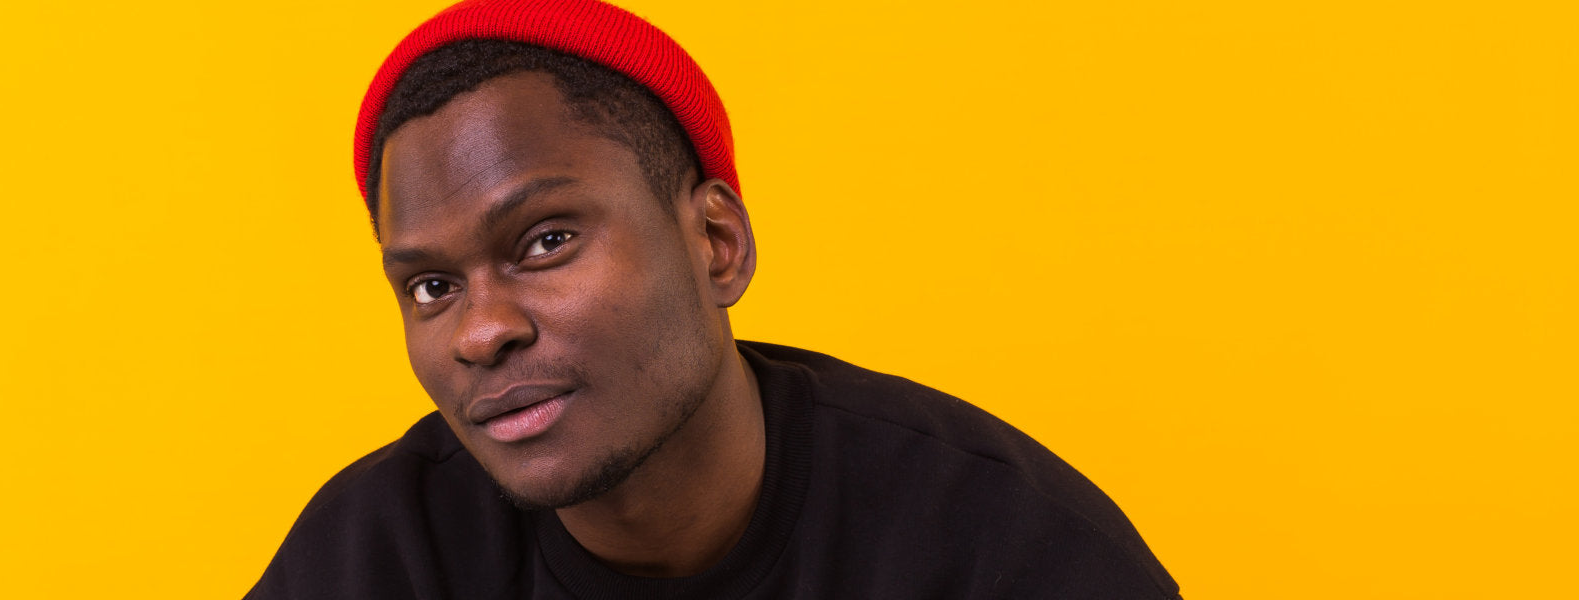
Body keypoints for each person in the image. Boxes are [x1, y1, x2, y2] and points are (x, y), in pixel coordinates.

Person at [246, 0, 1180, 597]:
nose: (482, 330)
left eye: (547, 241)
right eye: (433, 286)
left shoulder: (1001, 549)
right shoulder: (379, 557)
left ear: (716, 244)